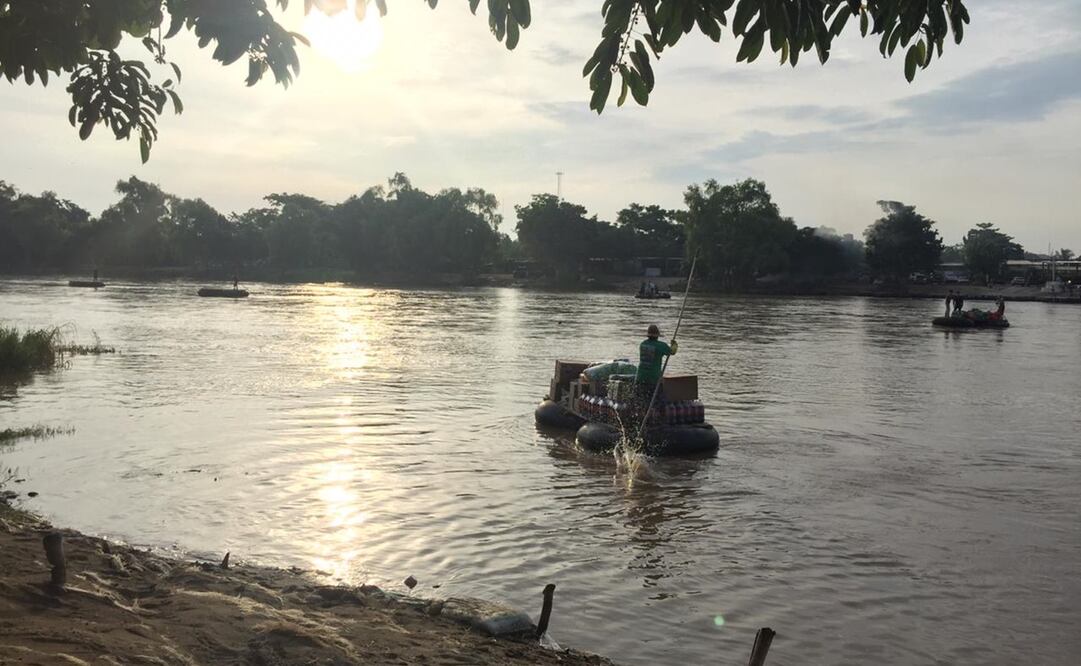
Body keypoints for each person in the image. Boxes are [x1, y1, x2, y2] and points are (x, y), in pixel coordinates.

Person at [634, 324, 678, 423]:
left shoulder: (642, 344)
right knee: (659, 401)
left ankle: (641, 420)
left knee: (642, 402)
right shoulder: (660, 346)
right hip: (653, 379)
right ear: (657, 335)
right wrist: (674, 344)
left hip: (640, 378)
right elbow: (672, 351)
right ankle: (658, 421)